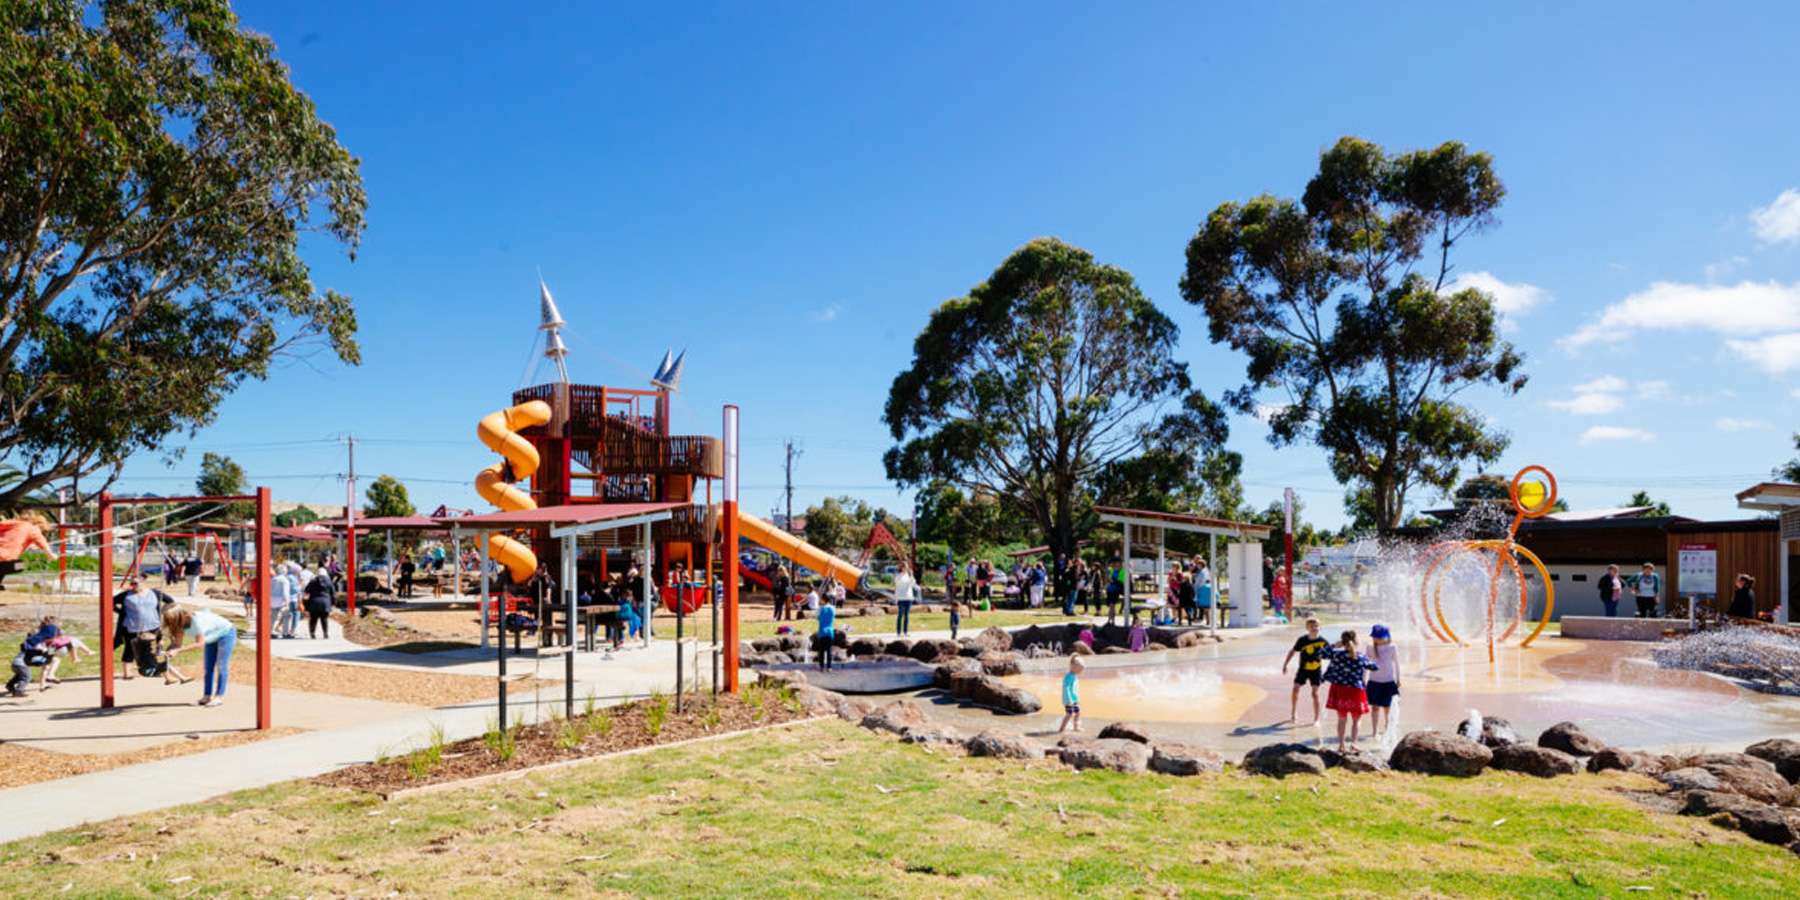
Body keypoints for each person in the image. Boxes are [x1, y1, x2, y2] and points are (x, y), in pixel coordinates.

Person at [162, 606, 236, 707]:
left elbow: (199, 643)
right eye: (168, 620)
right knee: (208, 667)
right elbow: (178, 644)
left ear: (179, 617)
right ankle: (207, 696)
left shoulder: (196, 622)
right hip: (211, 637)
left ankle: (219, 697)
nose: (170, 623)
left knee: (221, 666)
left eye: (172, 620)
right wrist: (167, 651)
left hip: (226, 633)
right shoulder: (179, 625)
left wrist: (178, 650)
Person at [1322, 629, 1377, 752]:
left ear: (1343, 641)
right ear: (1356, 641)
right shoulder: (1361, 657)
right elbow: (1374, 667)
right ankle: (1353, 744)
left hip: (1340, 689)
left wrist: (1335, 645)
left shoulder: (1336, 654)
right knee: (1356, 719)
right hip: (1355, 691)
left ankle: (1341, 745)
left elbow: (1321, 654)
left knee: (1342, 719)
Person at [1281, 618, 1329, 725]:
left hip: (1316, 671)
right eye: (1311, 626)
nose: (1314, 628)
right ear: (1307, 628)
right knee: (1295, 689)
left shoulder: (1323, 641)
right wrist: (1285, 664)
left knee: (1315, 694)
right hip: (1303, 669)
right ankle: (1293, 713)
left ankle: (1316, 719)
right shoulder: (1302, 640)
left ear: (1319, 627)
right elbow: (1292, 651)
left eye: (1316, 626)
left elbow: (1331, 654)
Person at [7, 616, 62, 696]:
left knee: (21, 675)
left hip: (18, 663)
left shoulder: (40, 642)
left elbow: (47, 653)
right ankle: (19, 691)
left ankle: (10, 685)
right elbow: (43, 651)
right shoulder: (37, 643)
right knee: (27, 677)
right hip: (21, 663)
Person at [1365, 624, 1400, 738]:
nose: (1377, 639)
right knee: (1375, 707)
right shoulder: (1370, 647)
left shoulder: (1392, 647)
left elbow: (1397, 664)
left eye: (1380, 637)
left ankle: (1387, 729)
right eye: (1376, 637)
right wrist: (1362, 680)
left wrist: (1398, 679)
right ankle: (1374, 731)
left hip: (1388, 681)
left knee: (1387, 708)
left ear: (1386, 636)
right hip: (1374, 681)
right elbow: (1364, 664)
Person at [302, 567, 335, 638]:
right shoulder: (329, 581)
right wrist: (333, 604)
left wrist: (305, 603)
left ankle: (312, 633)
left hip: (314, 602)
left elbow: (306, 592)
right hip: (325, 602)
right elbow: (333, 594)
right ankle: (325, 633)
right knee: (324, 619)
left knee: (313, 619)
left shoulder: (312, 581)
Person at [1057, 656, 1084, 734]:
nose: (1080, 671)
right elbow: (1067, 688)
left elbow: (1075, 688)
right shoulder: (1068, 676)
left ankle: (1076, 727)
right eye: (1079, 669)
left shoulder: (1074, 675)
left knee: (1078, 712)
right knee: (1069, 714)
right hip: (1068, 700)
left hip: (1074, 699)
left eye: (1081, 670)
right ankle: (1061, 729)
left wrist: (1077, 698)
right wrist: (1069, 700)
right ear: (1072, 666)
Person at [815, 592, 837, 671]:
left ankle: (821, 667)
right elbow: (833, 617)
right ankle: (829, 667)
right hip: (830, 631)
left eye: (821, 599)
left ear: (824, 600)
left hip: (822, 631)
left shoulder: (820, 609)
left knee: (821, 650)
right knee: (829, 650)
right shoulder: (833, 608)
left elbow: (817, 618)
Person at [893, 566, 918, 636]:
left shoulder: (909, 576)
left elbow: (913, 584)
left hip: (908, 597)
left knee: (906, 616)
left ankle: (905, 632)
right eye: (904, 567)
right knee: (900, 615)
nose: (905, 569)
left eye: (906, 567)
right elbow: (897, 585)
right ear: (901, 568)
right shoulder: (898, 576)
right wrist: (896, 598)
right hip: (901, 598)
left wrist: (911, 575)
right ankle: (898, 632)